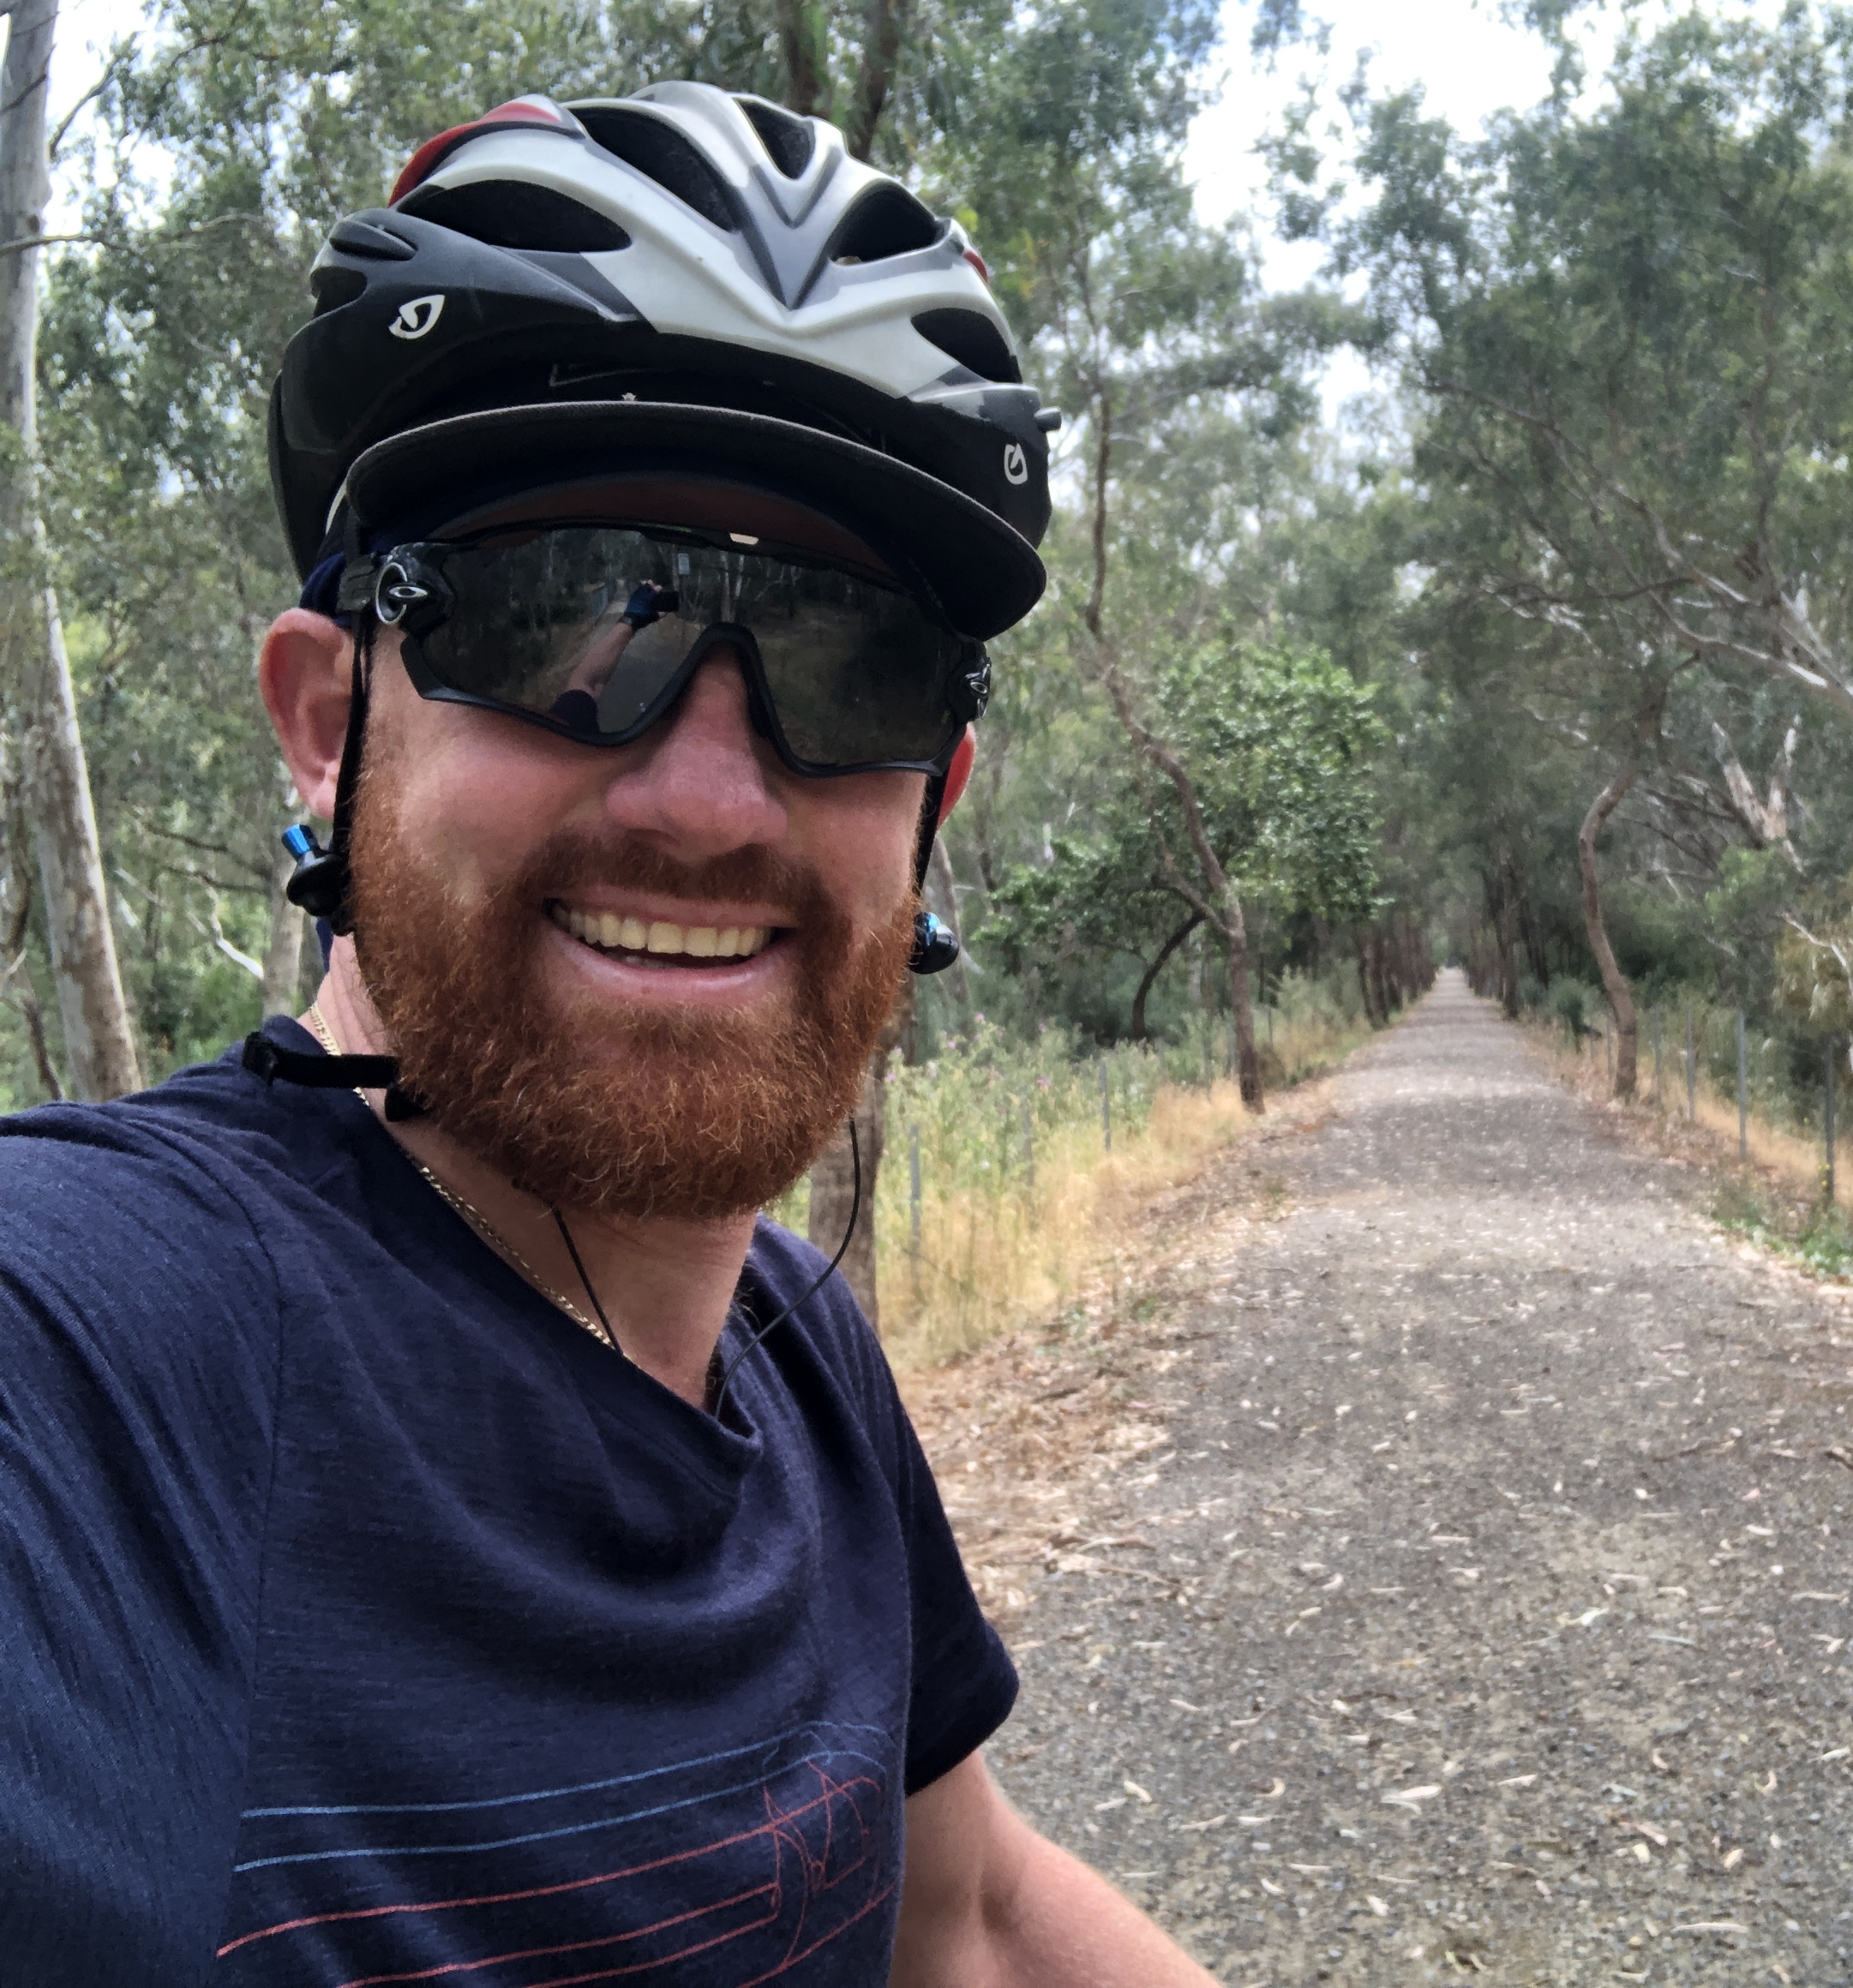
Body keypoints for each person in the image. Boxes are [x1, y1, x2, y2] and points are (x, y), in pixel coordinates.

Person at [0, 83, 1215, 1986]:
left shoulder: (795, 1347)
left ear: (936, 794)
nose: (709, 801)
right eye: (559, 618)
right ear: (326, 721)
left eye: (851, 664)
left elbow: (969, 1913)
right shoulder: (99, 1358)